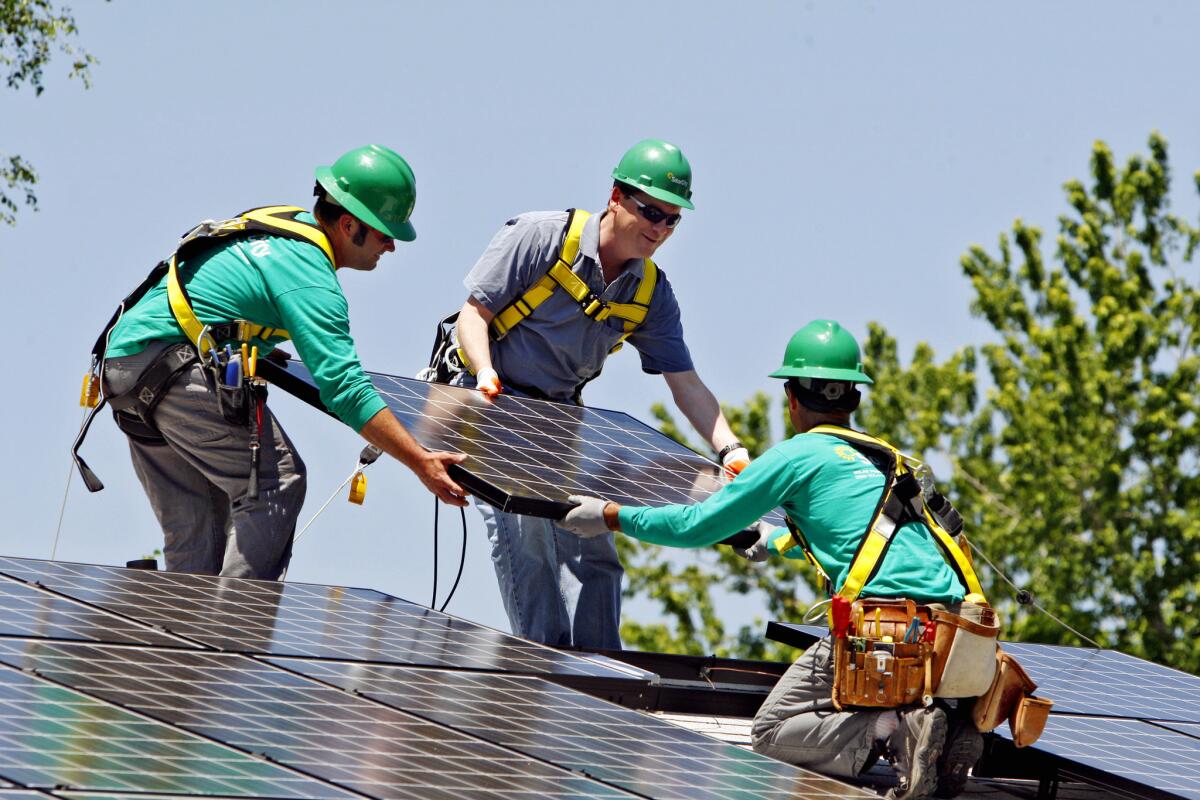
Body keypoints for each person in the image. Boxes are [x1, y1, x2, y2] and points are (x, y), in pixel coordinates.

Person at [558, 319, 986, 800]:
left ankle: (893, 727)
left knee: (771, 730)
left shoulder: (795, 456)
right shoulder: (890, 459)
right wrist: (775, 539)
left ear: (792, 398)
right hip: (955, 630)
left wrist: (612, 516)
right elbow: (873, 535)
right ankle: (950, 721)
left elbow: (695, 525)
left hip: (885, 628)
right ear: (854, 399)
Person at [91, 145, 467, 580]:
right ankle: (234, 637)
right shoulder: (309, 275)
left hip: (125, 372)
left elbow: (224, 296)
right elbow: (343, 386)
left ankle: (189, 643)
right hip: (173, 369)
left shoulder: (283, 228)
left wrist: (260, 348)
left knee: (199, 539)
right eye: (385, 234)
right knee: (277, 483)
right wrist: (420, 460)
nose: (391, 247)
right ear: (349, 225)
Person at [449, 138, 749, 649]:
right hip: (491, 405)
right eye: (651, 211)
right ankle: (544, 664)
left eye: (672, 219)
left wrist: (731, 449)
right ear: (616, 196)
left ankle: (599, 672)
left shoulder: (651, 292)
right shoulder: (539, 238)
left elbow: (687, 384)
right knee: (530, 540)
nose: (659, 228)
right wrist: (483, 373)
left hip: (559, 418)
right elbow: (472, 317)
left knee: (594, 544)